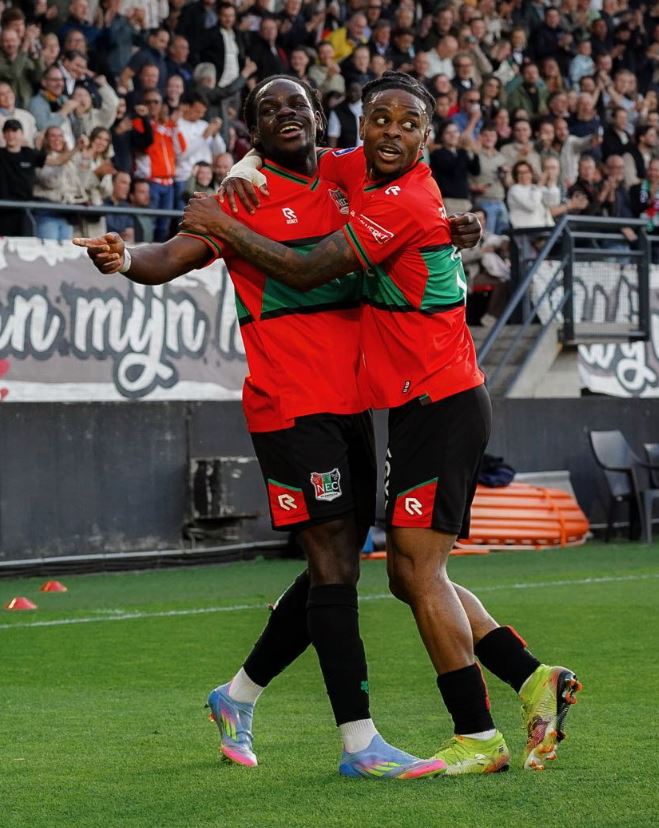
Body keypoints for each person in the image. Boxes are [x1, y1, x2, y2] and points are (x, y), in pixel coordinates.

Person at [73, 75, 480, 781]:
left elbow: (406, 182)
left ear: (320, 117)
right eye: (268, 110)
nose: (285, 115)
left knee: (337, 560)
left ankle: (236, 697)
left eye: (296, 104)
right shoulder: (240, 196)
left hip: (353, 404)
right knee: (334, 566)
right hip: (289, 405)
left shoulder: (348, 173)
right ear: (251, 130)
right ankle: (359, 744)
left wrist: (458, 226)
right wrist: (125, 259)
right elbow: (169, 257)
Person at [179, 71, 582, 775]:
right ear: (359, 125)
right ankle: (528, 677)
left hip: (439, 402)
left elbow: (310, 269)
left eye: (407, 123)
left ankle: (477, 734)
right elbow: (286, 148)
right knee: (396, 574)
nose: (391, 132)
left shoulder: (403, 199)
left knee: (414, 573)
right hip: (402, 407)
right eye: (380, 120)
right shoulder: (353, 167)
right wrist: (240, 169)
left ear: (428, 136)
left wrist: (223, 222)